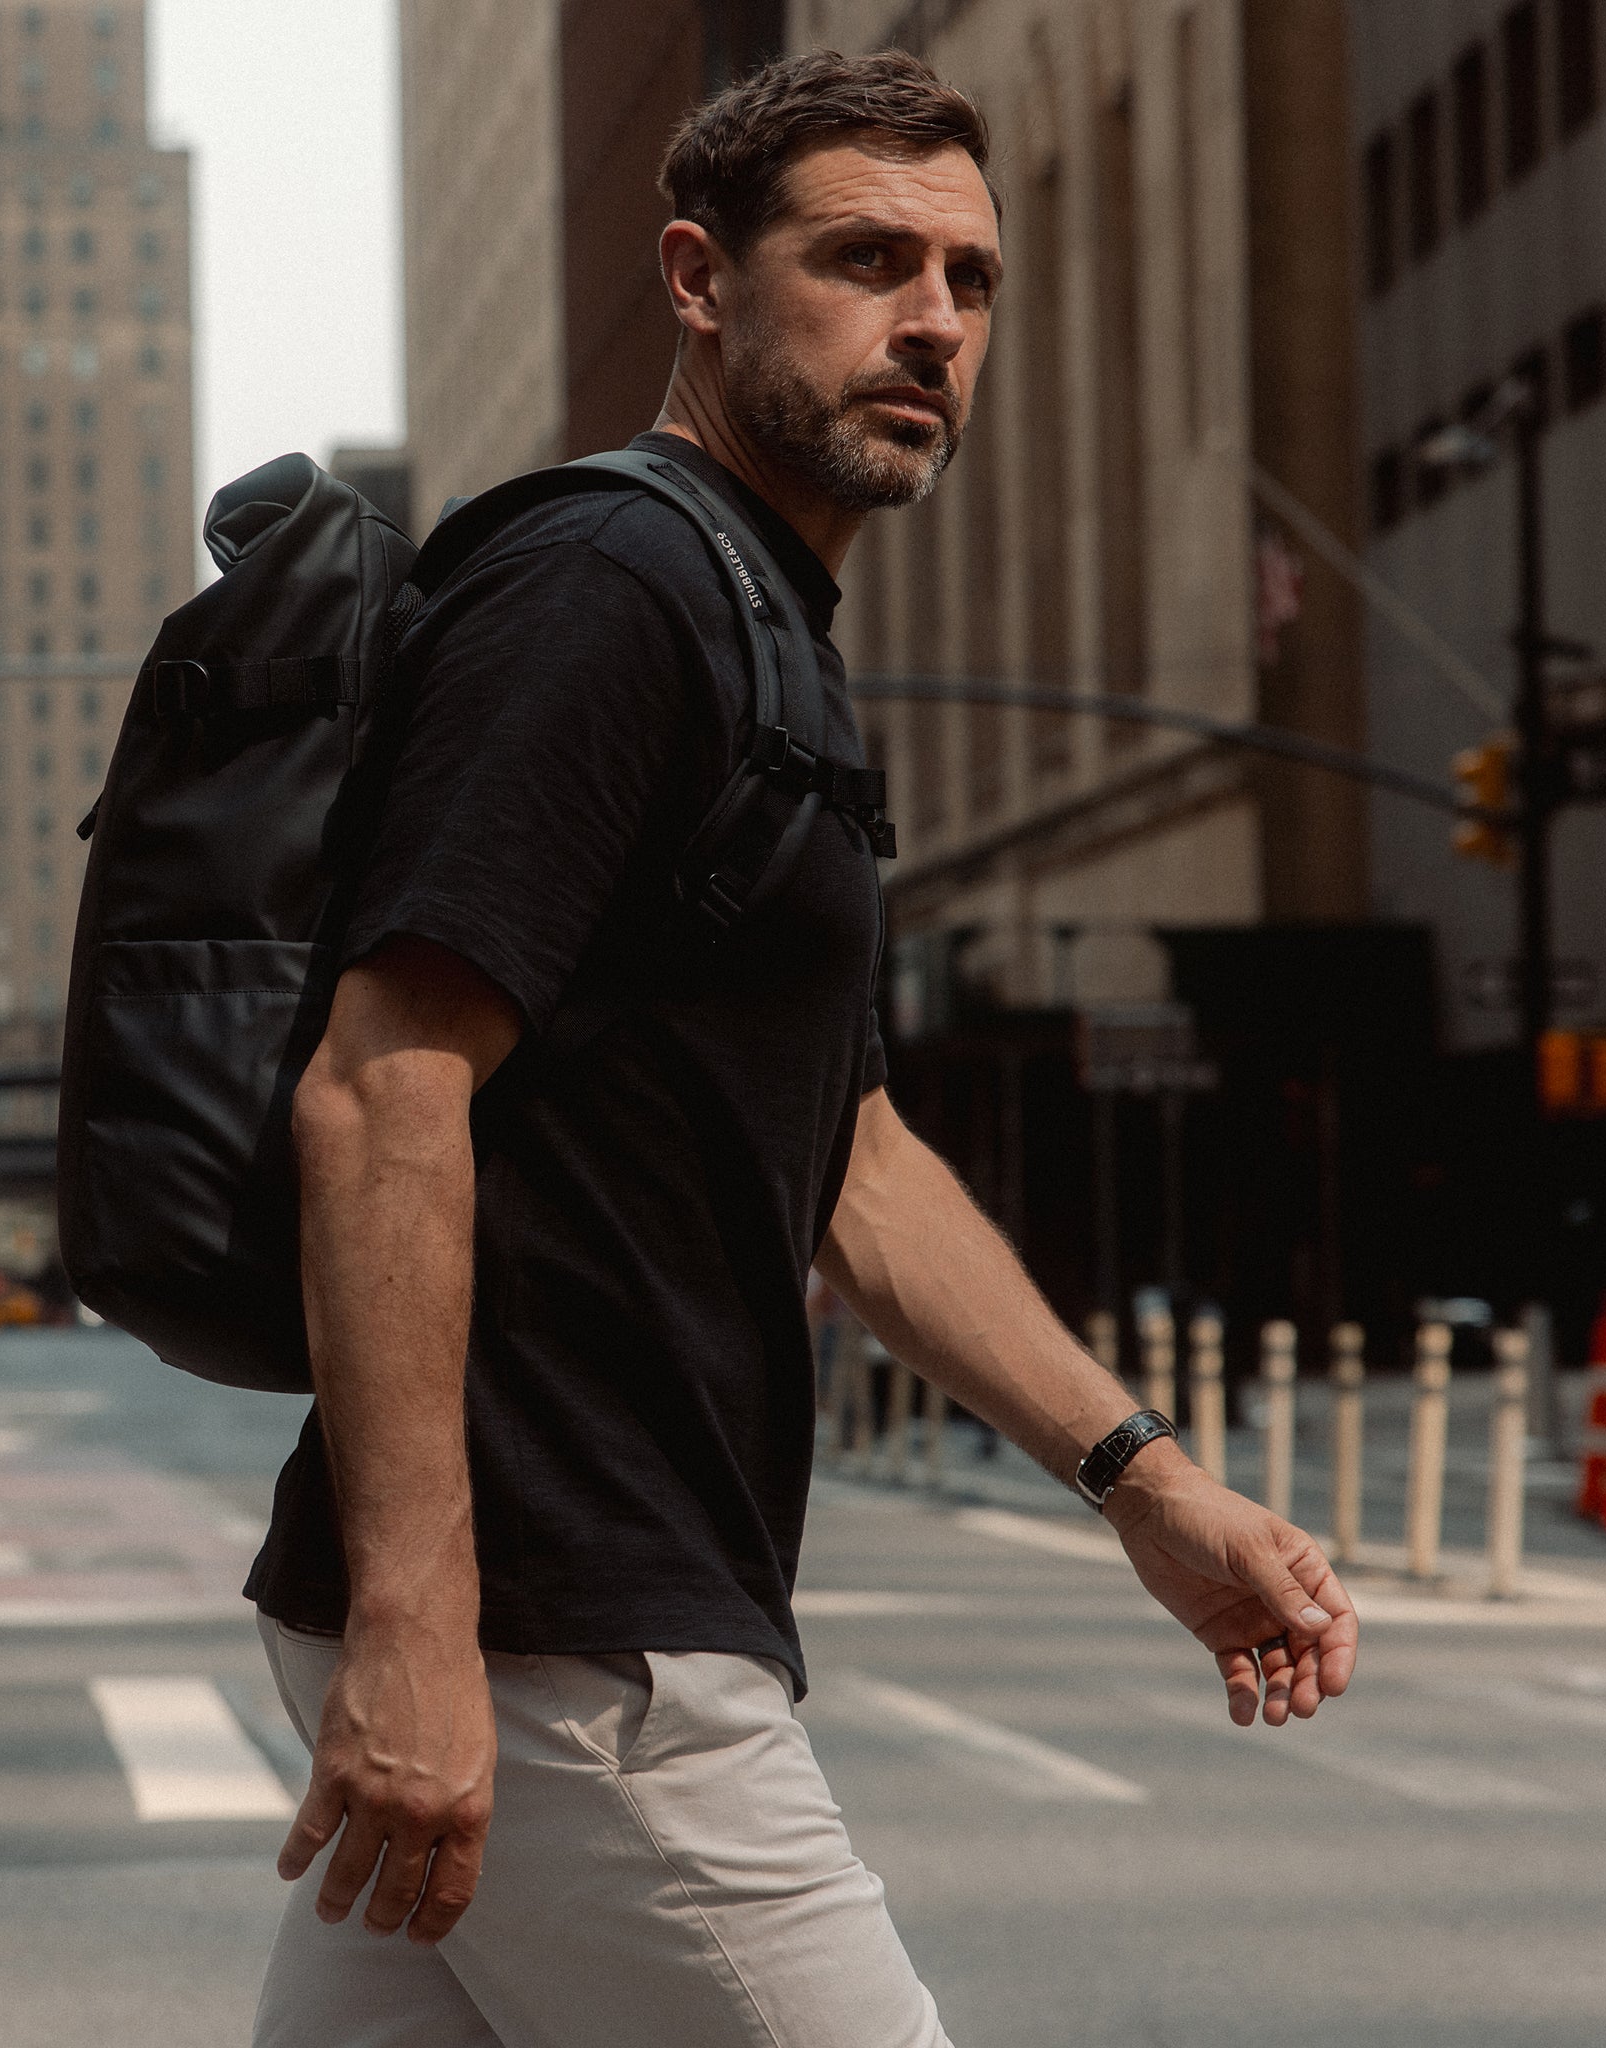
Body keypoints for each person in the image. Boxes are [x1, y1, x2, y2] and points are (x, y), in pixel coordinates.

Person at [244, 50, 1358, 2048]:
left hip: (560, 1614)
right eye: (863, 259)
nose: (932, 320)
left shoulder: (763, 635)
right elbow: (381, 1082)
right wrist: (423, 1623)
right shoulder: (612, 588)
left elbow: (849, 1158)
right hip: (569, 1628)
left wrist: (1146, 1483)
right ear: (698, 278)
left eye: (969, 278)